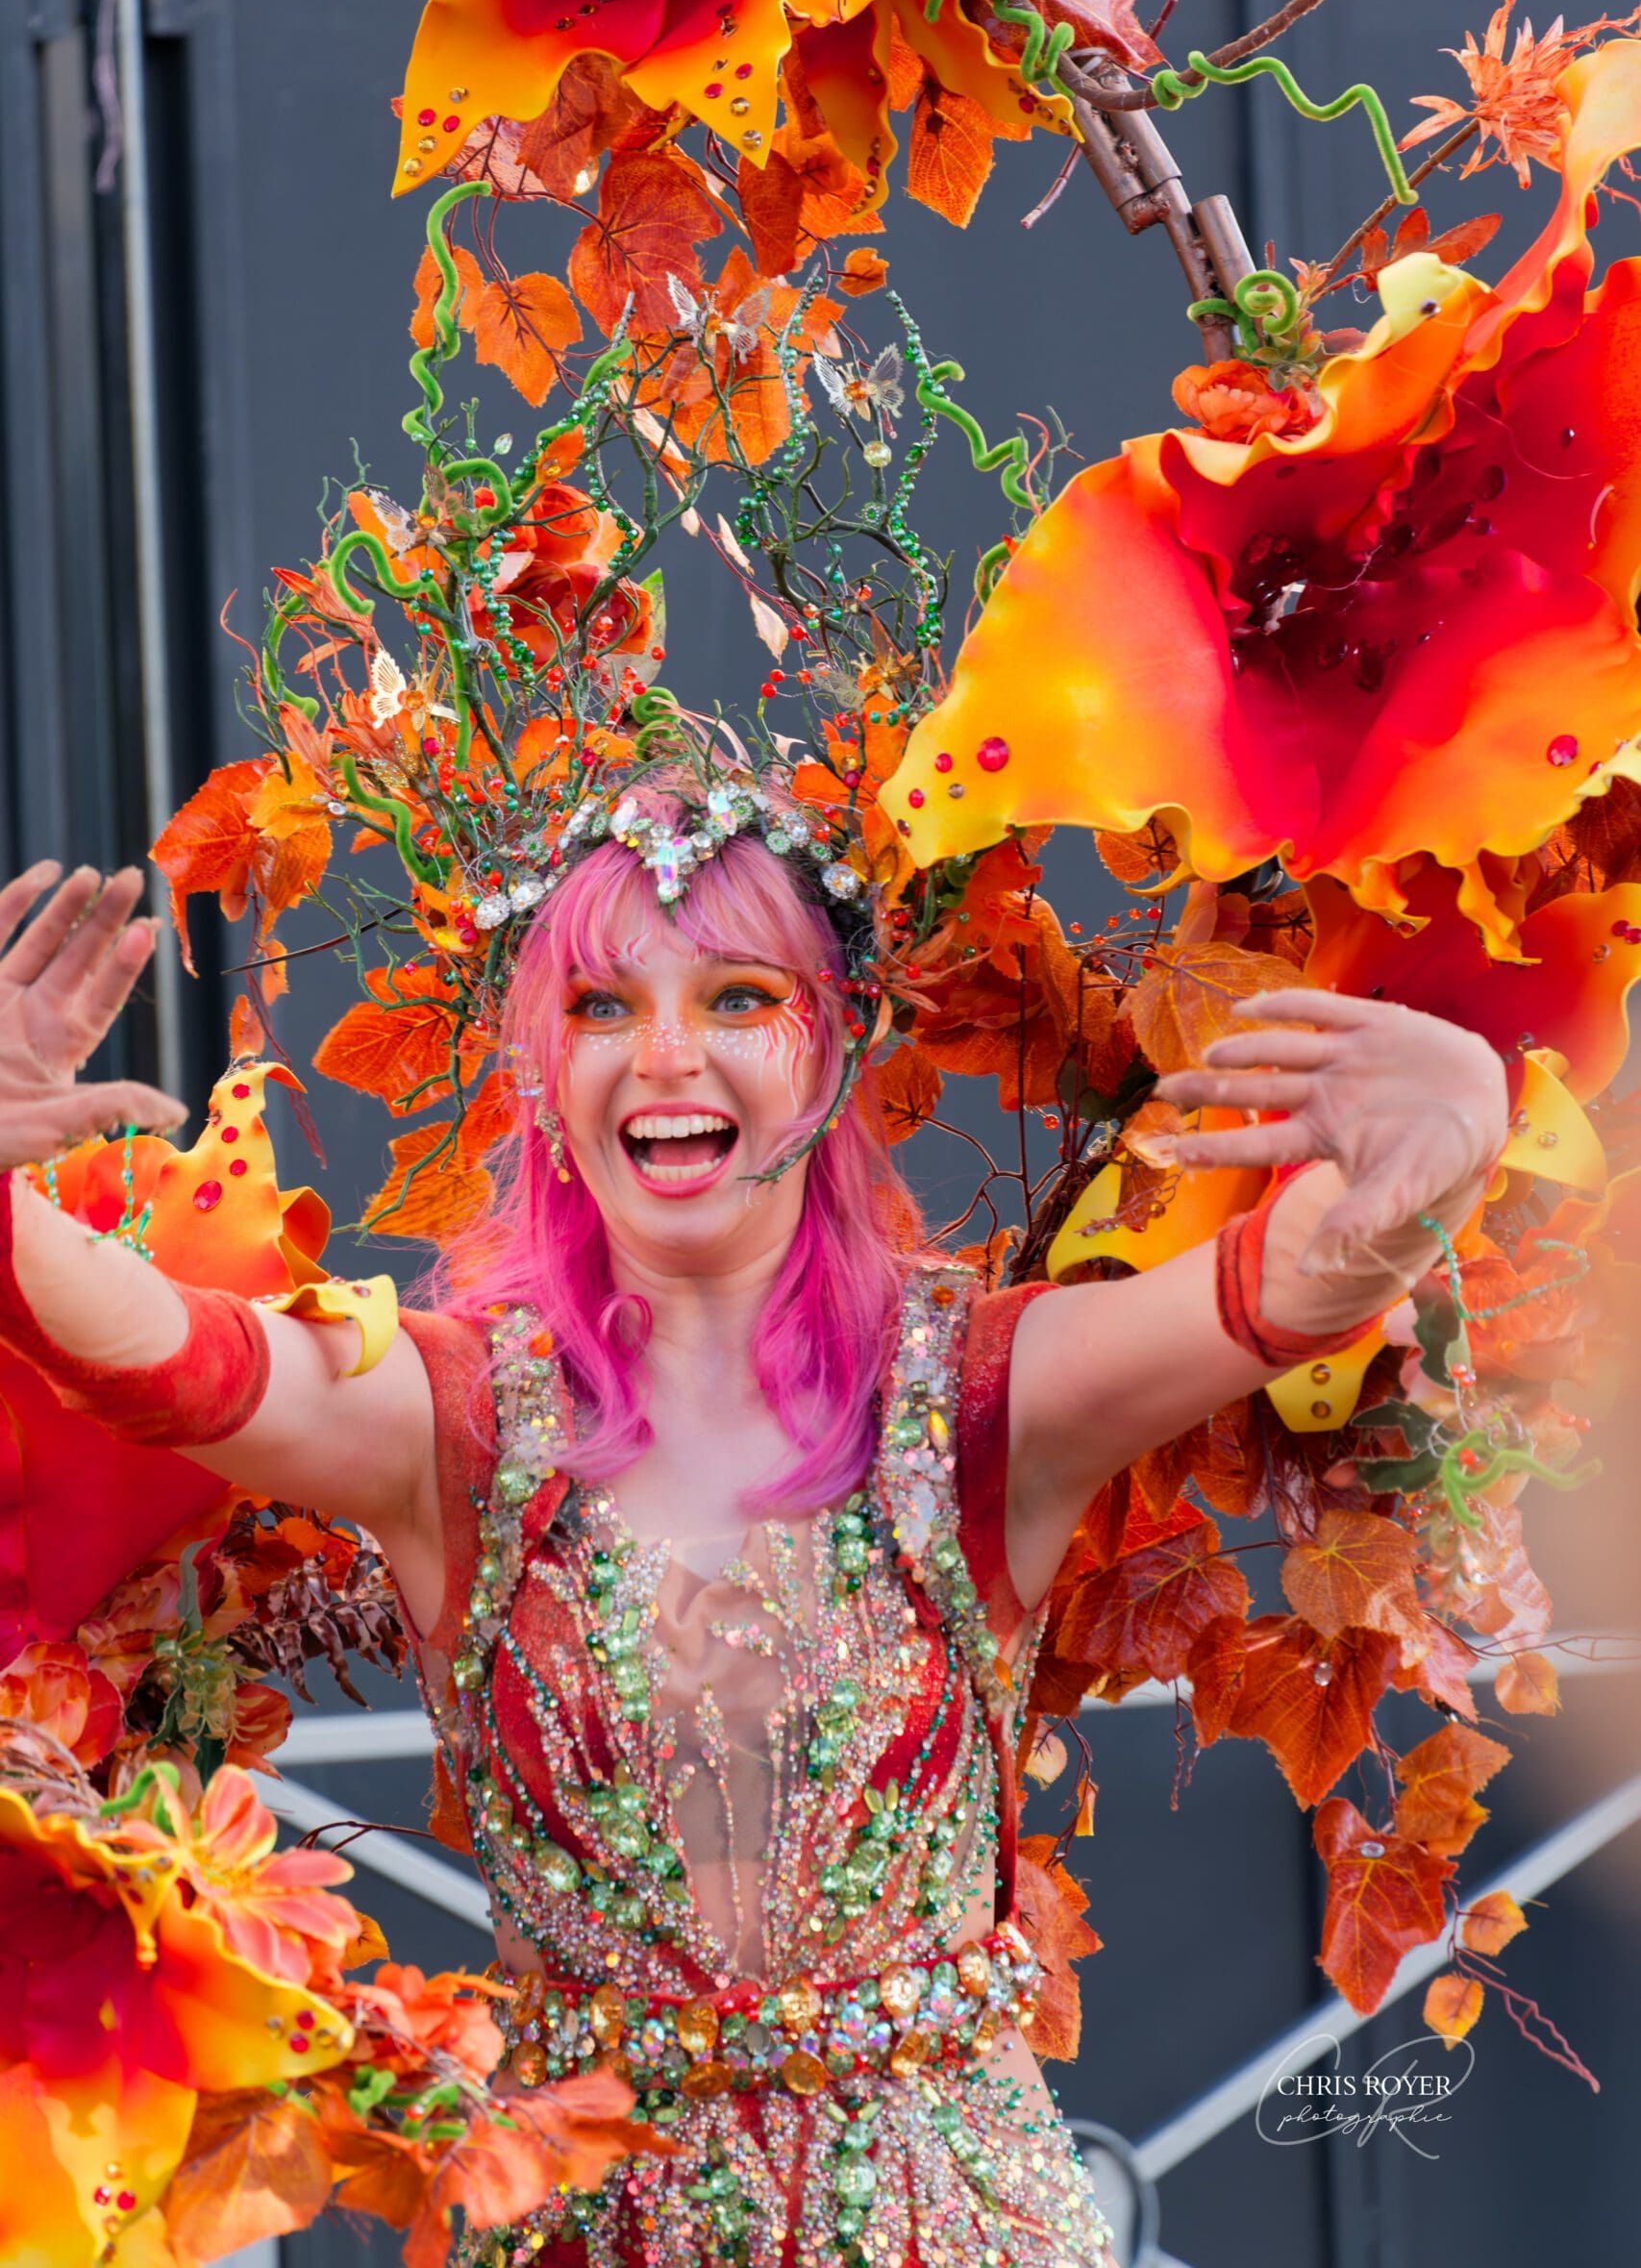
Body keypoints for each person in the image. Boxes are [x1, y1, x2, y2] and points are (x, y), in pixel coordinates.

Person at [0, 809, 1507, 2268]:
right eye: (603, 1004)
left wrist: (1454, 1132)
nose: (667, 1053)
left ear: (836, 1039)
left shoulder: (986, 1396)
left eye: (737, 996)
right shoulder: (448, 1423)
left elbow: (1297, 1286)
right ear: (541, 1065)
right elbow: (161, 1359)